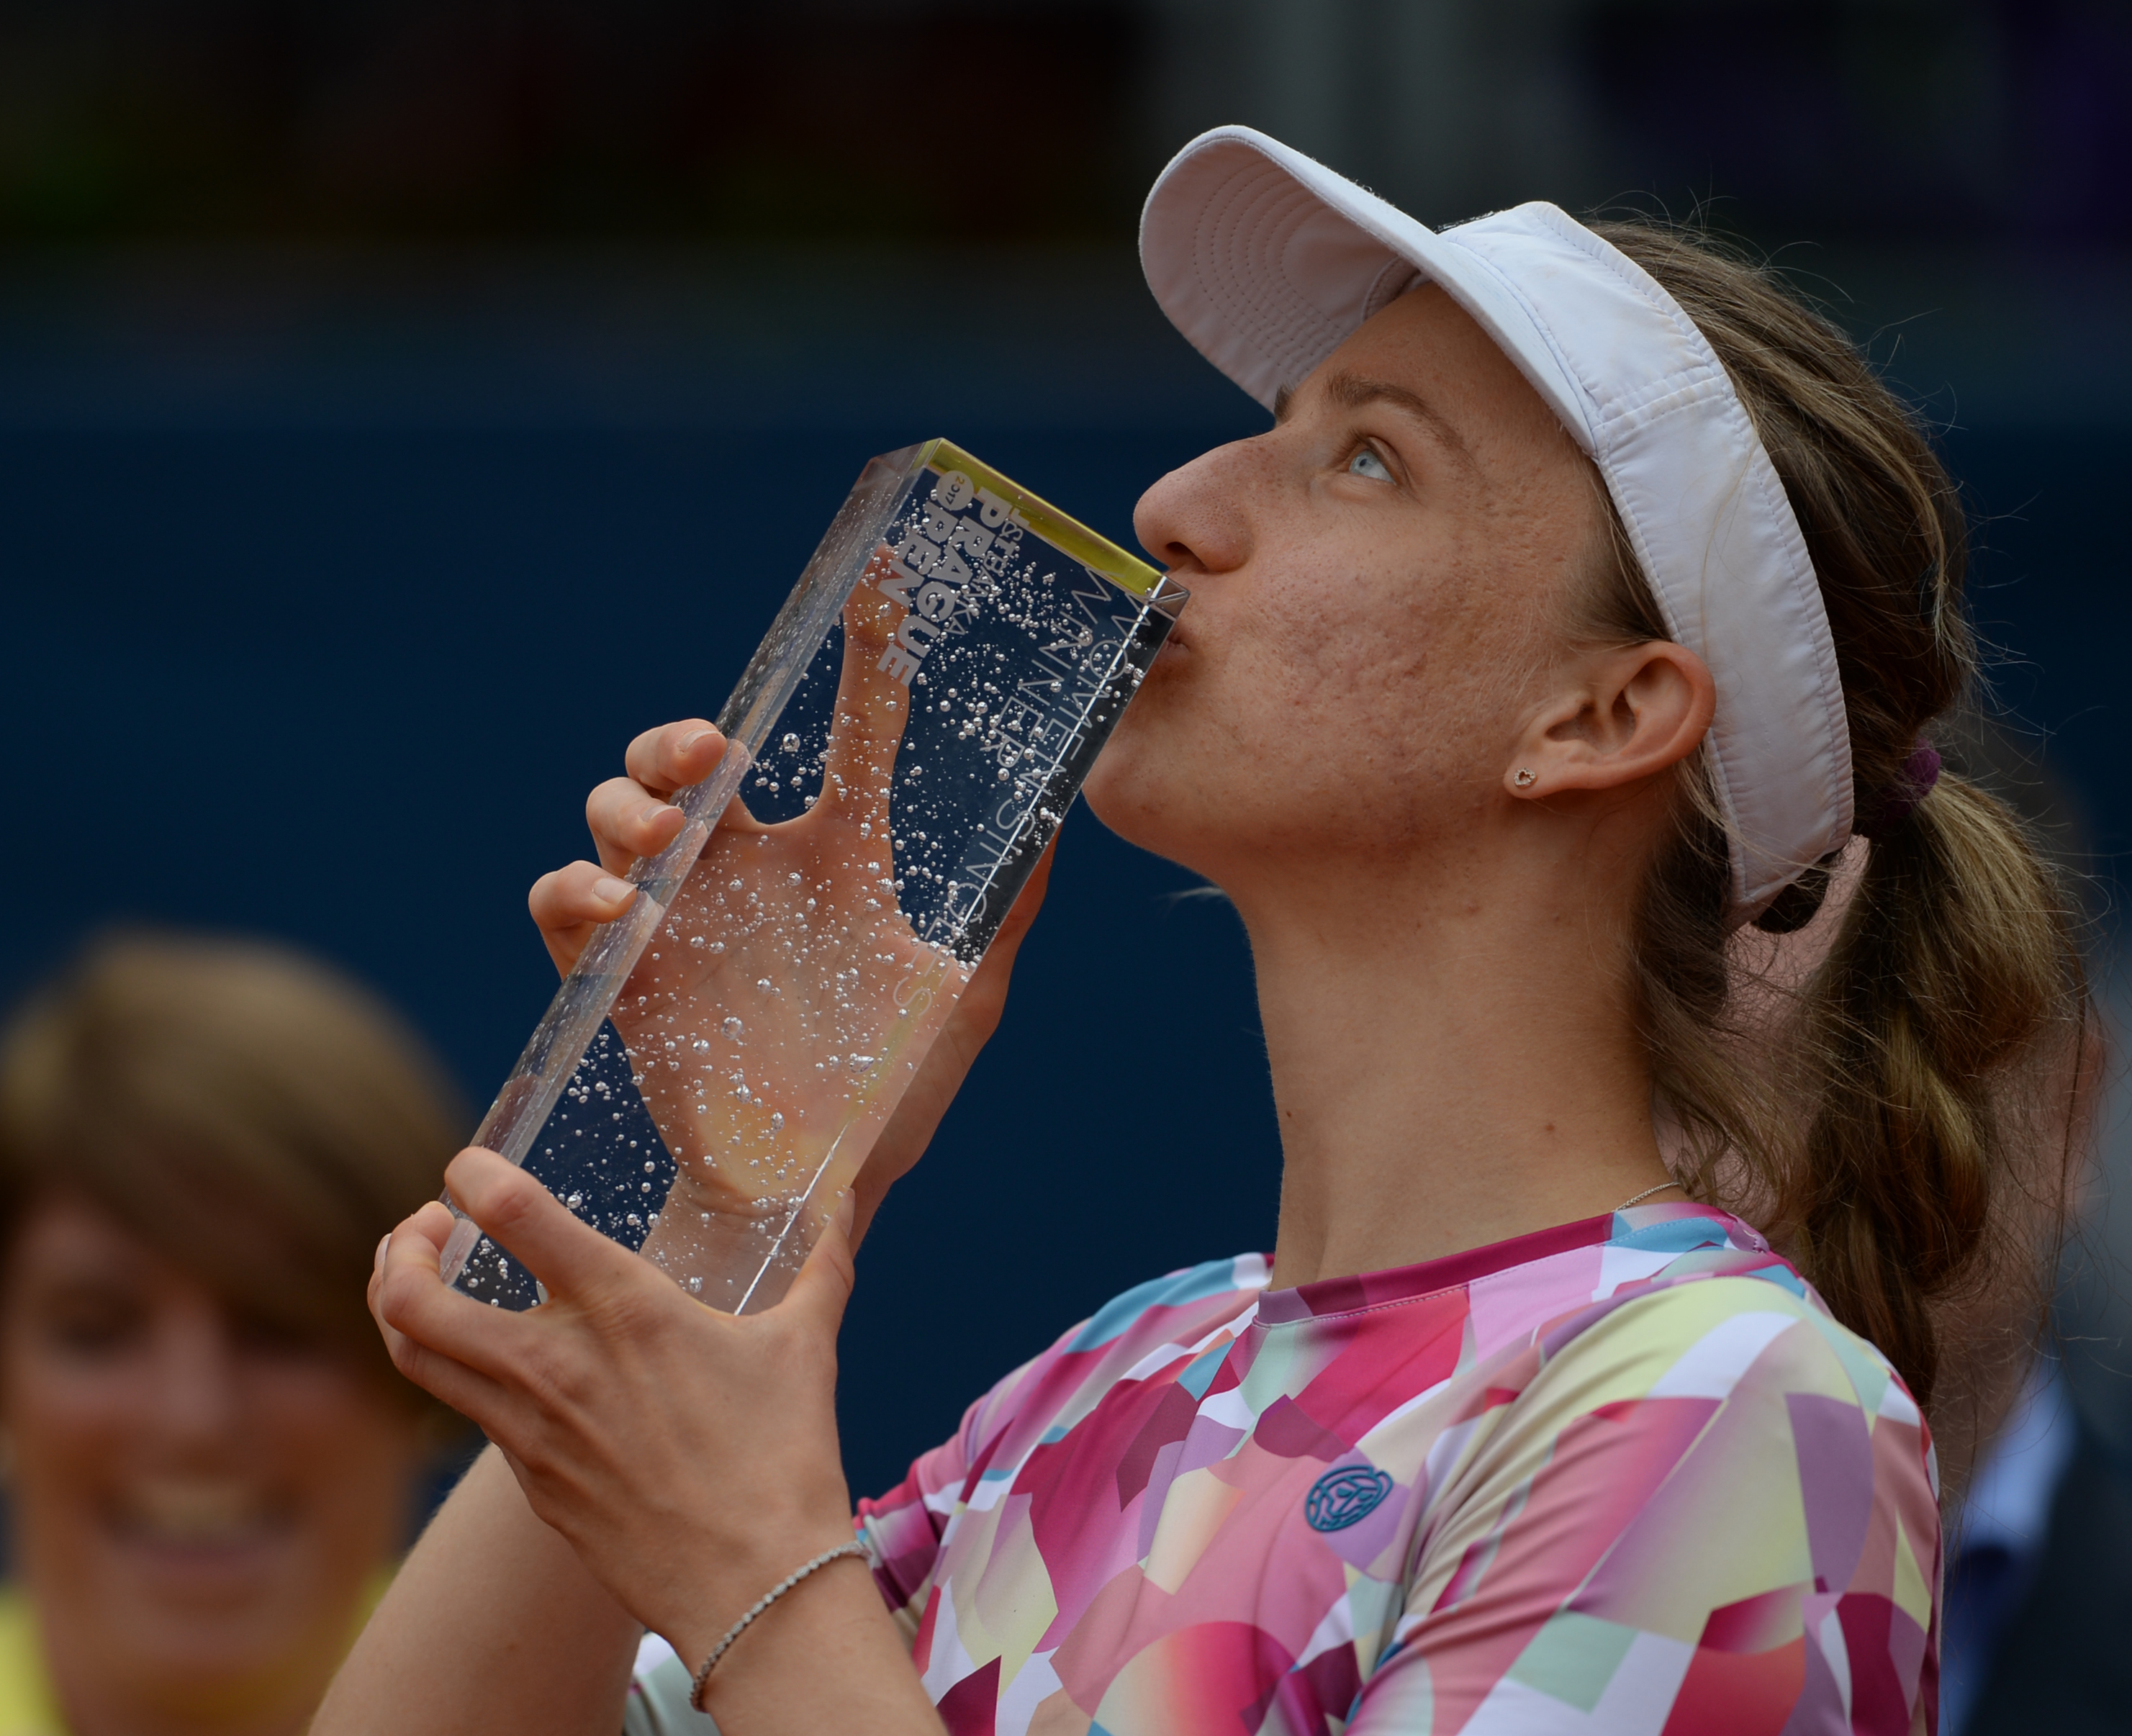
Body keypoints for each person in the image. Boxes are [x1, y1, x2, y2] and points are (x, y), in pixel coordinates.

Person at [315, 127, 2090, 1736]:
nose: (1178, 504)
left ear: (1604, 716)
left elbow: (772, 1627)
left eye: (1370, 460)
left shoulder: (1733, 1408)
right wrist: (762, 1187)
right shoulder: (1130, 1364)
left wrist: (757, 1572)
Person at [0, 931, 467, 1736]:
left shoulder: (618, 1709)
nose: (194, 1419)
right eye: (96, 1331)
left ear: (431, 1358)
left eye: (280, 1327)